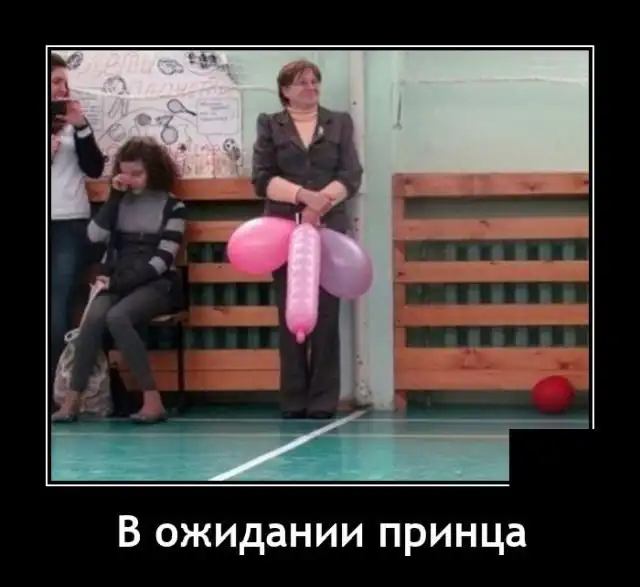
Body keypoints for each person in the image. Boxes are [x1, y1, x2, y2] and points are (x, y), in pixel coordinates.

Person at [251, 59, 363, 420]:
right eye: (302, 82)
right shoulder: (270, 124)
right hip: (283, 230)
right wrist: (303, 197)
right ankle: (293, 399)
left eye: (315, 81)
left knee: (327, 316)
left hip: (329, 230)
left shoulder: (339, 122)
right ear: (285, 90)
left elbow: (351, 174)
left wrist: (321, 203)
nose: (311, 87)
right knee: (289, 313)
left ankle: (323, 401)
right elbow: (262, 179)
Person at [52, 137, 186, 424]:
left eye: (138, 174)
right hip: (118, 278)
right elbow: (93, 236)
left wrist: (118, 284)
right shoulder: (121, 202)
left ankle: (152, 400)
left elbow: (162, 261)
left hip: (156, 283)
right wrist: (113, 198)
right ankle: (72, 400)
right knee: (92, 318)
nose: (131, 180)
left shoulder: (173, 206)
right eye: (125, 173)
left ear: (154, 171)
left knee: (118, 317)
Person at [50, 52, 105, 388]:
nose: (63, 88)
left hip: (69, 220)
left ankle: (55, 386)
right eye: (56, 81)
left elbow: (95, 168)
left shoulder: (72, 122)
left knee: (59, 301)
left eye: (65, 82)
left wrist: (82, 127)